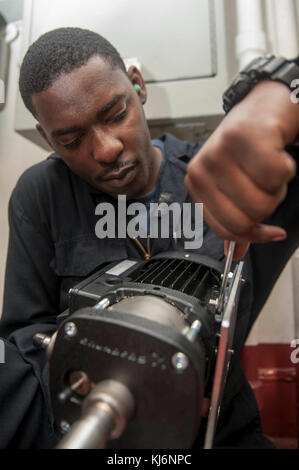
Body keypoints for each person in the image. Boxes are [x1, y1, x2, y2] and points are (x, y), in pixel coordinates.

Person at [0, 27, 298, 449]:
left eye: (114, 114)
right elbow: (27, 333)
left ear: (138, 87)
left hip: (219, 433)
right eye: (72, 139)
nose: (105, 149)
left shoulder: (226, 176)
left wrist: (276, 93)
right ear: (48, 138)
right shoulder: (41, 194)